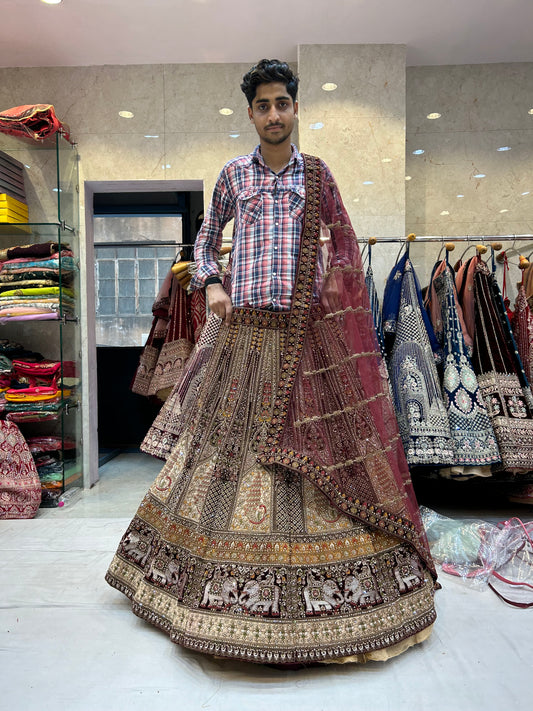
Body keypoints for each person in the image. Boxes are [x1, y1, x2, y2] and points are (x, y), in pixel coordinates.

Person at [106, 59, 437, 666]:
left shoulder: (317, 177)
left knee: (323, 451)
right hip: (246, 342)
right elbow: (206, 243)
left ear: (295, 107)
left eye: (284, 102)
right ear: (251, 112)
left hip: (307, 344)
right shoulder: (234, 176)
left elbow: (341, 253)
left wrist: (334, 318)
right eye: (264, 105)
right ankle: (194, 588)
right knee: (221, 460)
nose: (275, 114)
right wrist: (210, 284)